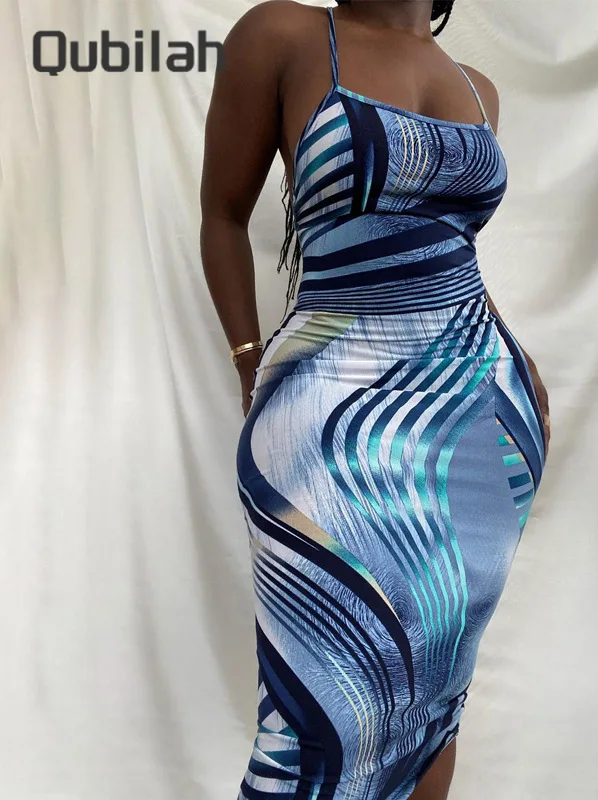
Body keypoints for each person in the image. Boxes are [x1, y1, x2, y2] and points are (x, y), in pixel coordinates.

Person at [199, 2, 550, 797]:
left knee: (433, 703)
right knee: (319, 719)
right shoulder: (286, 36)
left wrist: (518, 366)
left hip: (480, 422)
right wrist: (249, 362)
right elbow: (221, 215)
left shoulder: (479, 88)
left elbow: (448, 251)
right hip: (324, 411)